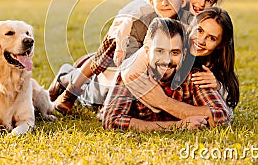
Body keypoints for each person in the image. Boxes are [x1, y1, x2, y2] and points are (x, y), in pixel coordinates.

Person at [49, 0, 190, 114]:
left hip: (140, 63)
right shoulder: (141, 18)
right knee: (94, 94)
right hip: (120, 48)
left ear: (183, 1)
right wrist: (120, 51)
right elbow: (123, 35)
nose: (165, 3)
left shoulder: (183, 23)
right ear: (152, 2)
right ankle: (68, 80)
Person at [102, 8, 238, 131]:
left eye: (174, 52)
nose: (201, 40)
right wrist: (177, 125)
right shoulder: (135, 69)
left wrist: (163, 102)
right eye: (200, 30)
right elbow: (111, 120)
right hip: (104, 79)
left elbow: (222, 118)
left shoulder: (198, 74)